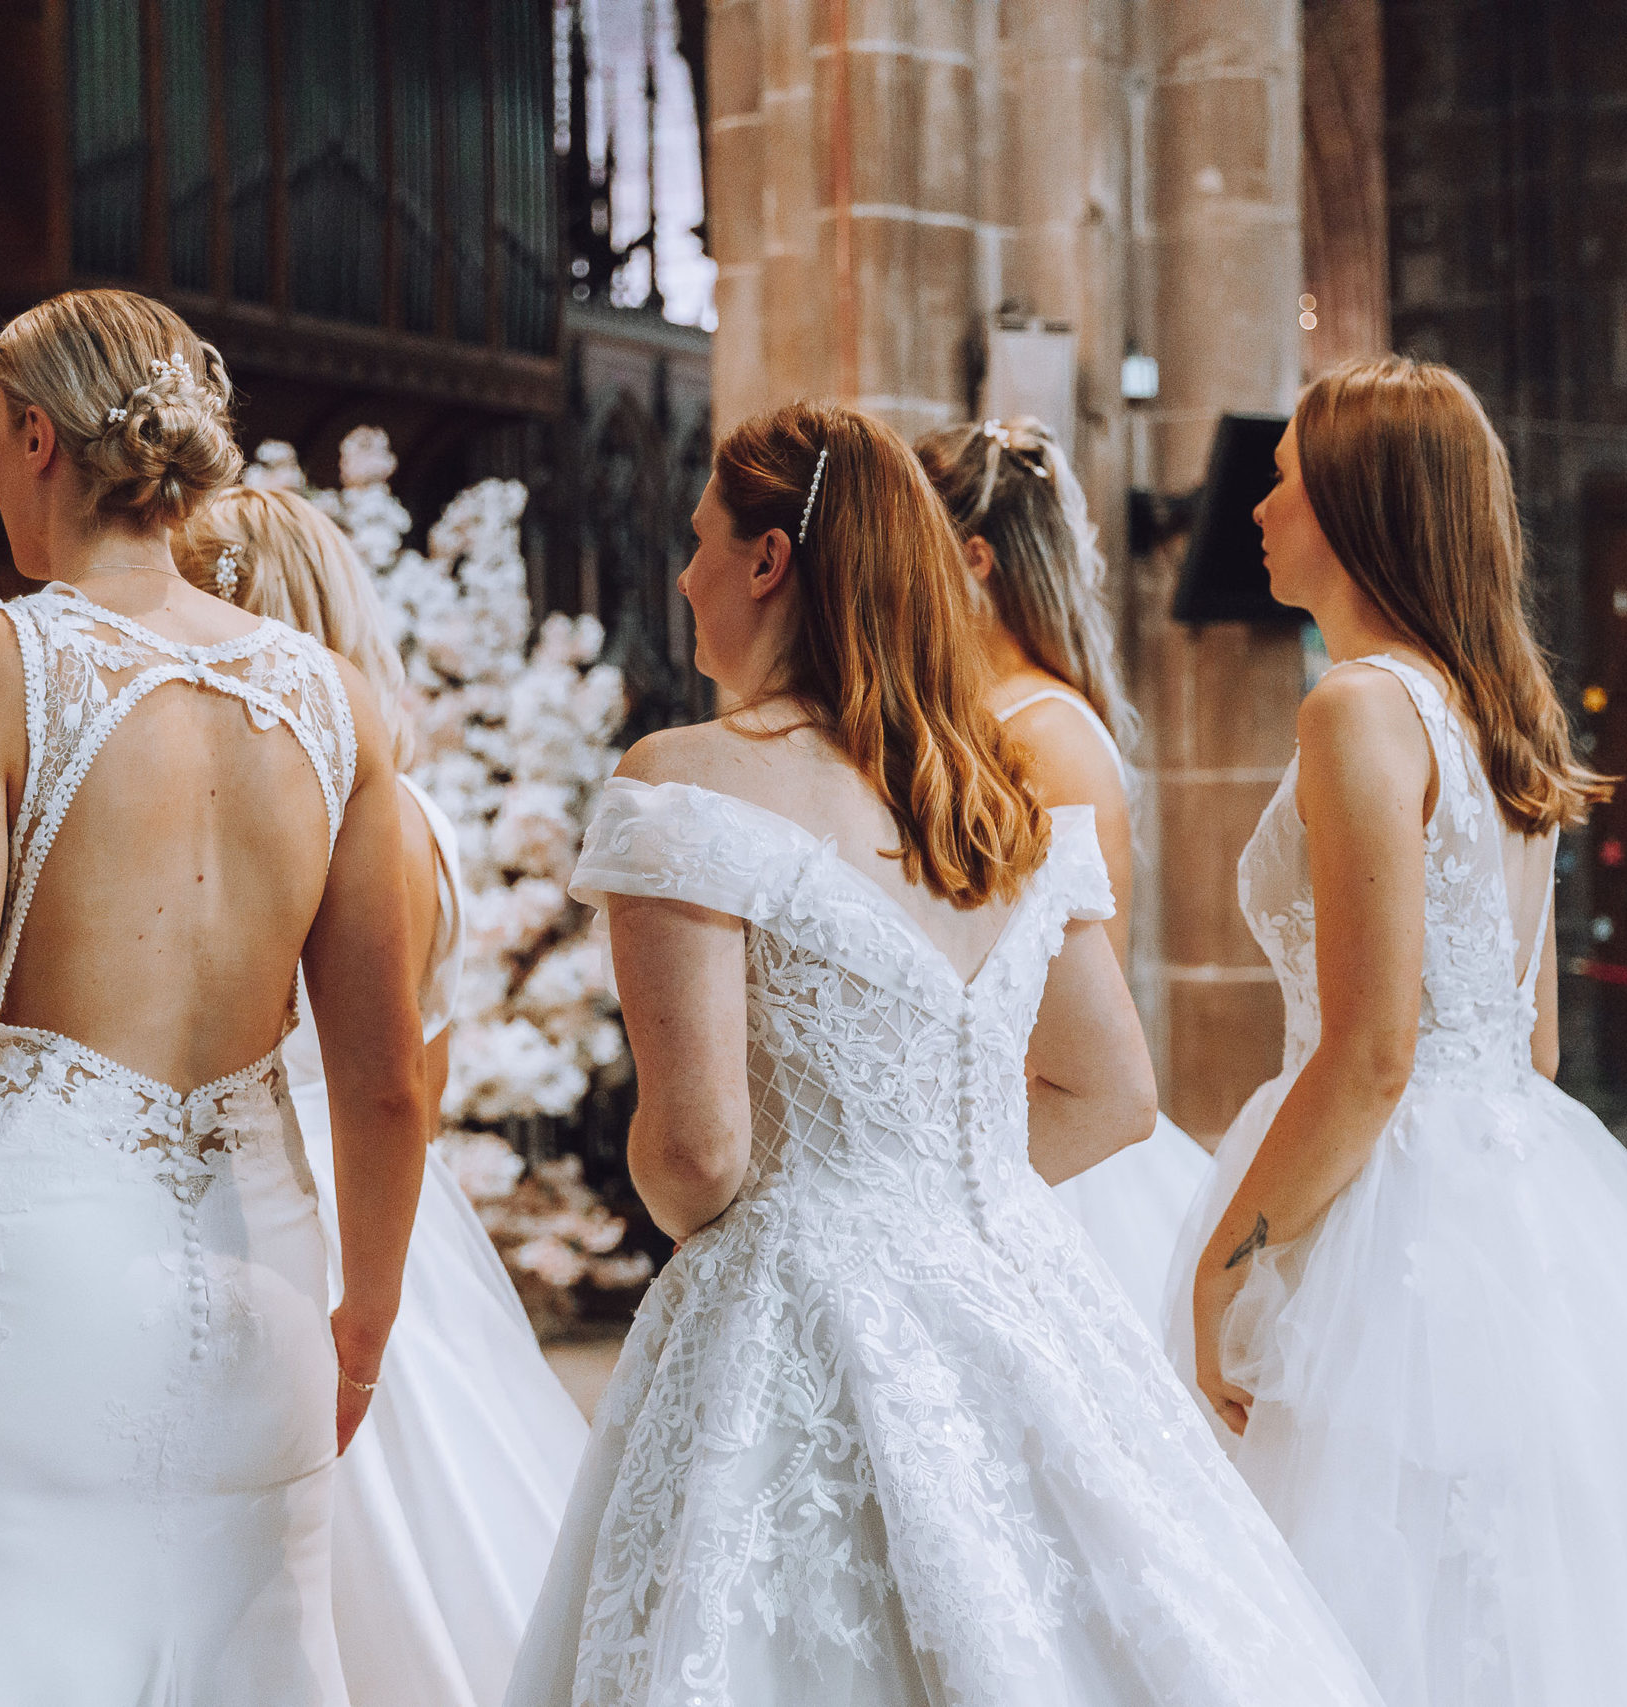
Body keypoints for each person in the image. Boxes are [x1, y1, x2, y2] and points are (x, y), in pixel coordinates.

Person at [505, 401, 1381, 1707]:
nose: (683, 574)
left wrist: (827, 1210)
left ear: (768, 560)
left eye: (699, 540)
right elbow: (1113, 1092)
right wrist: (927, 1181)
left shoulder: (686, 779)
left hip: (792, 1311)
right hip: (1014, 1283)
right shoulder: (996, 796)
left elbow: (697, 1153)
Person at [1168, 355, 1627, 1707]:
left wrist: (1234, 1255)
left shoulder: (1359, 708)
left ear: (1353, 504)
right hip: (1517, 1186)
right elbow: (1535, 1044)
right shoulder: (1492, 716)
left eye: (1280, 483)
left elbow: (1374, 1050)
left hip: (1387, 1209)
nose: (1259, 511)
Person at [0, 289, 429, 1707]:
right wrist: (363, 1321)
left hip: (32, 1299)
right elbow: (385, 1078)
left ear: (31, 436)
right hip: (265, 1298)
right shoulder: (336, 700)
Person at [175, 485, 587, 1707]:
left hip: (272, 1202)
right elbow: (424, 1084)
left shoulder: (290, 818)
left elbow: (370, 1080)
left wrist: (360, 1302)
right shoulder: (417, 815)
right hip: (396, 1210)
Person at [916, 416, 1214, 1323]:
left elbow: (1058, 979)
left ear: (972, 559)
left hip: (1041, 1140)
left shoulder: (1038, 730)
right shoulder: (984, 714)